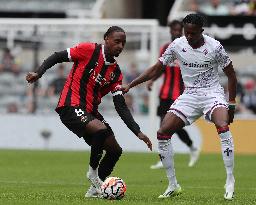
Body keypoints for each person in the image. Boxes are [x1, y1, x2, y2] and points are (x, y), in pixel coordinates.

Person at [26, 26, 152, 198]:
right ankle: (93, 172)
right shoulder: (88, 50)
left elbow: (120, 105)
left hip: (90, 111)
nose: (120, 46)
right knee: (100, 129)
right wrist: (39, 73)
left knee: (115, 150)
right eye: (117, 41)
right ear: (106, 38)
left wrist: (138, 131)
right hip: (70, 106)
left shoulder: (115, 73)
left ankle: (94, 190)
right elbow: (58, 56)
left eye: (123, 43)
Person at [122, 14, 237, 200]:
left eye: (193, 33)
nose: (189, 36)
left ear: (202, 31)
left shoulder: (215, 47)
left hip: (212, 94)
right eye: (186, 32)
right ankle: (173, 185)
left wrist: (231, 104)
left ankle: (230, 180)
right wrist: (130, 85)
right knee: (163, 132)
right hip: (190, 95)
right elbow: (156, 68)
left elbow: (232, 76)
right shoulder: (176, 45)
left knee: (223, 127)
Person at [147, 20, 200, 169]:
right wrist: (152, 80)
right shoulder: (165, 48)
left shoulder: (188, 48)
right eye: (174, 30)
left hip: (180, 95)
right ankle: (164, 158)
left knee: (172, 127)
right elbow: (161, 68)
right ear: (170, 31)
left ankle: (191, 147)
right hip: (164, 94)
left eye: (179, 30)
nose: (176, 32)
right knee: (162, 126)